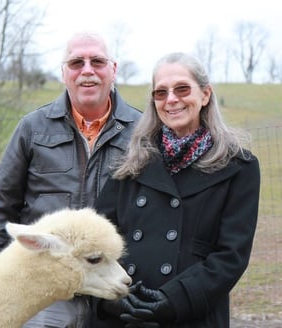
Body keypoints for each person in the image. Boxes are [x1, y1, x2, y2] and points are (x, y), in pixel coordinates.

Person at [0, 31, 142, 328]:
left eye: (97, 61)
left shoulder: (142, 131)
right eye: (77, 62)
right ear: (64, 73)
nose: (87, 70)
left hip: (114, 287)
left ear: (113, 69)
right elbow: (1, 205)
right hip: (46, 294)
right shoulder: (32, 128)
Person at [90, 52, 260, 327]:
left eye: (182, 88)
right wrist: (111, 299)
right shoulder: (131, 162)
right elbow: (93, 241)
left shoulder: (239, 167)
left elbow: (231, 257)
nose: (171, 99)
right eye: (160, 93)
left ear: (205, 95)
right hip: (123, 317)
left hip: (191, 315)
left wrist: (173, 300)